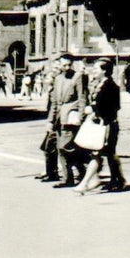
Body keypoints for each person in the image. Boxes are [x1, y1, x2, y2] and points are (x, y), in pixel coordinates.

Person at [74, 58, 126, 194]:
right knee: (110, 154)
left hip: (108, 126)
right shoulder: (100, 84)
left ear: (104, 71)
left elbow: (114, 107)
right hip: (103, 124)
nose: (93, 71)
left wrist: (94, 110)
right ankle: (119, 180)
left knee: (96, 154)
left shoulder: (111, 86)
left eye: (96, 68)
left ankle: (84, 183)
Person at [46, 53, 87, 188]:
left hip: (71, 117)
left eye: (69, 65)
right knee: (60, 148)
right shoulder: (58, 79)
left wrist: (80, 117)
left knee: (64, 147)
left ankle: (82, 171)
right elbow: (54, 102)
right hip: (59, 118)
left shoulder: (77, 77)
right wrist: (50, 120)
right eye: (64, 65)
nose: (67, 67)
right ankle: (70, 177)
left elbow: (82, 98)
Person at [36, 62, 61, 183]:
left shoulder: (59, 86)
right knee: (48, 147)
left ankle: (51, 173)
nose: (52, 71)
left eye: (56, 68)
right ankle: (50, 171)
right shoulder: (53, 88)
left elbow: (55, 107)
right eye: (52, 68)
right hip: (54, 121)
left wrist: (51, 121)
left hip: (58, 122)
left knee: (49, 147)